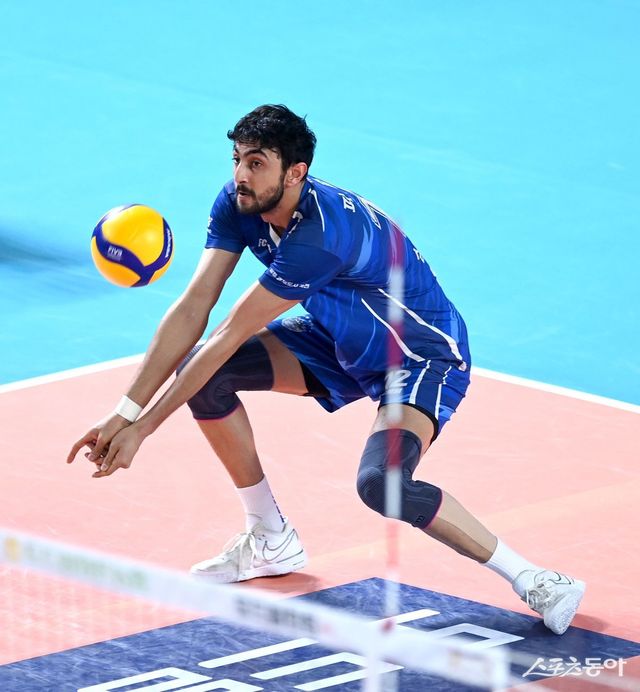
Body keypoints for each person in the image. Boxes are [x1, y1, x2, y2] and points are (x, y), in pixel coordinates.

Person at [67, 104, 584, 635]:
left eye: (257, 163)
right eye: (237, 159)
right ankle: (270, 537)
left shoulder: (322, 235)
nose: (241, 174)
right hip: (338, 338)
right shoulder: (239, 203)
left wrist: (144, 430)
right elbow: (194, 305)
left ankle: (537, 579)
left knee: (383, 484)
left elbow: (227, 334)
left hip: (417, 356)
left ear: (295, 173)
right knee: (207, 377)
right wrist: (124, 412)